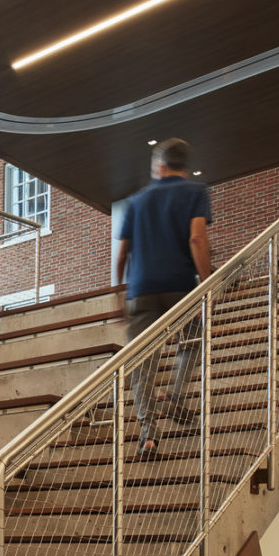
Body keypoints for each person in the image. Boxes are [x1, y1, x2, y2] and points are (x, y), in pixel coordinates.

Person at [113, 137, 214, 457]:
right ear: (184, 165)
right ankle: (176, 394)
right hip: (180, 287)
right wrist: (207, 283)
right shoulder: (195, 192)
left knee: (142, 364)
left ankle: (148, 434)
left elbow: (122, 255)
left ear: (159, 166)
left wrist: (119, 293)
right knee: (194, 340)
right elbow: (197, 239)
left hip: (141, 290)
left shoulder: (136, 201)